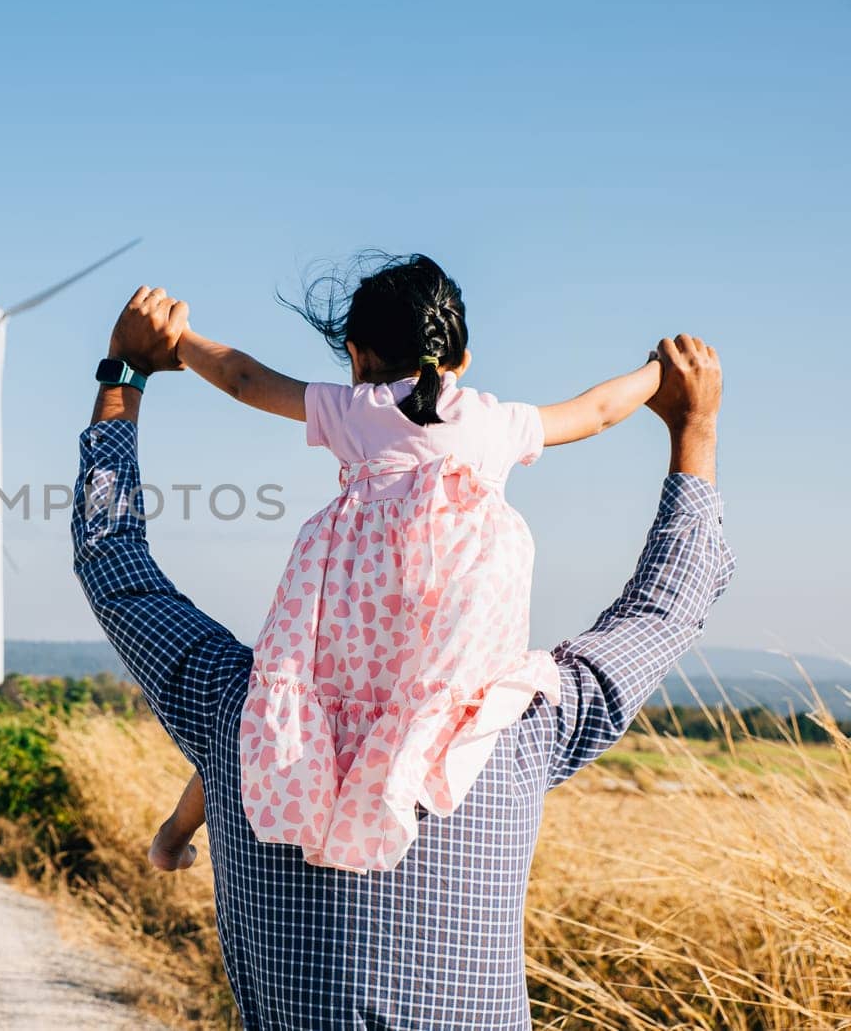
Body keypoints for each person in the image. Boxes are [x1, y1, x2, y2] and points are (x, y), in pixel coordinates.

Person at [73, 285, 732, 1029]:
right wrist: (689, 424)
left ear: (357, 358)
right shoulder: (513, 729)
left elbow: (112, 558)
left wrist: (129, 373)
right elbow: (667, 603)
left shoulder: (250, 721)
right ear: (462, 360)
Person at [146, 253, 664, 874]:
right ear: (461, 359)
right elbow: (600, 410)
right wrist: (657, 372)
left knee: (276, 710)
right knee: (430, 732)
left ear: (357, 353)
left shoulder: (356, 409)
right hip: (451, 644)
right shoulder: (497, 423)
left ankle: (175, 836)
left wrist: (180, 342)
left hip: (346, 628)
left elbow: (244, 380)